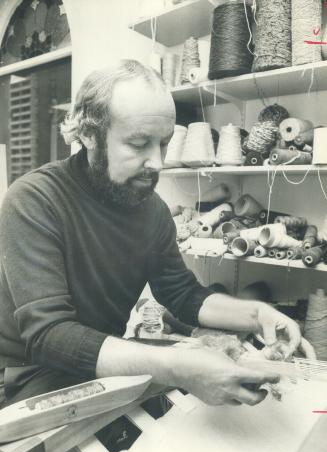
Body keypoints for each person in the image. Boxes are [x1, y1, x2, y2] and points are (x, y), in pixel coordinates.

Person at [0, 59, 313, 412]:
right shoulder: (34, 200)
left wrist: (257, 315)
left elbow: (182, 294)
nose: (157, 163)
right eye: (138, 144)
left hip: (98, 364)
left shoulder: (152, 210)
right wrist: (177, 369)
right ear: (88, 134)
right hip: (25, 377)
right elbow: (50, 336)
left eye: (163, 144)